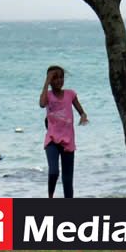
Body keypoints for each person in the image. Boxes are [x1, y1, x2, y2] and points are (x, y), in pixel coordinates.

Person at [40, 65, 88, 198]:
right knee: (54, 171)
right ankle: (50, 196)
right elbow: (42, 104)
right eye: (55, 78)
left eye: (61, 77)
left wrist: (83, 116)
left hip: (68, 141)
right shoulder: (48, 96)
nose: (59, 81)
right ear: (50, 81)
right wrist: (46, 81)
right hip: (52, 140)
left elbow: (81, 111)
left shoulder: (70, 94)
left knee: (67, 180)